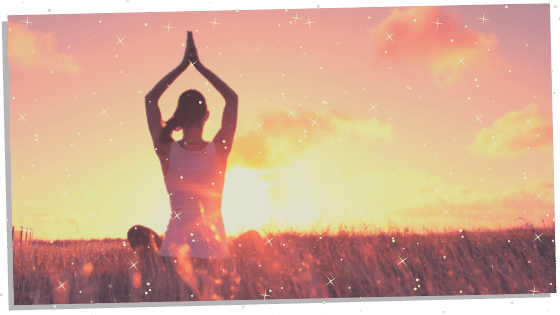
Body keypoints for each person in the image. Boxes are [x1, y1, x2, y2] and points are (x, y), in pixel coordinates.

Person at [128, 30, 238, 300]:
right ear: (207, 115)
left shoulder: (166, 149)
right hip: (216, 260)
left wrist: (181, 67)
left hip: (174, 260)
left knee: (136, 232)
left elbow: (150, 99)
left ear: (177, 115)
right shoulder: (220, 149)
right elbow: (232, 99)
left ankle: (158, 275)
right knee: (255, 238)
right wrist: (199, 66)